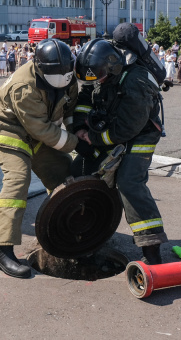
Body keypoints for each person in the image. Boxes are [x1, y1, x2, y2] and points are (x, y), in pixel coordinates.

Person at [0, 39, 85, 278]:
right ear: (40, 67)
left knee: (65, 176)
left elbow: (69, 109)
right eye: (57, 74)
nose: (63, 78)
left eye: (66, 73)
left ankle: (71, 232)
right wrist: (77, 144)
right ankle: (1, 250)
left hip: (39, 129)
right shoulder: (24, 87)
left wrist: (76, 131)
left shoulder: (66, 74)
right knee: (18, 179)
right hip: (9, 128)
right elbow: (40, 130)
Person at [72, 36, 168, 265]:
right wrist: (79, 127)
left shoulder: (136, 81)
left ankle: (152, 249)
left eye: (101, 77)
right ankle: (88, 236)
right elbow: (87, 94)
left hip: (140, 135)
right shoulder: (100, 69)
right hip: (111, 131)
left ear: (113, 67)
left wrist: (93, 138)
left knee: (128, 182)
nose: (98, 81)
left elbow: (126, 129)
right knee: (79, 169)